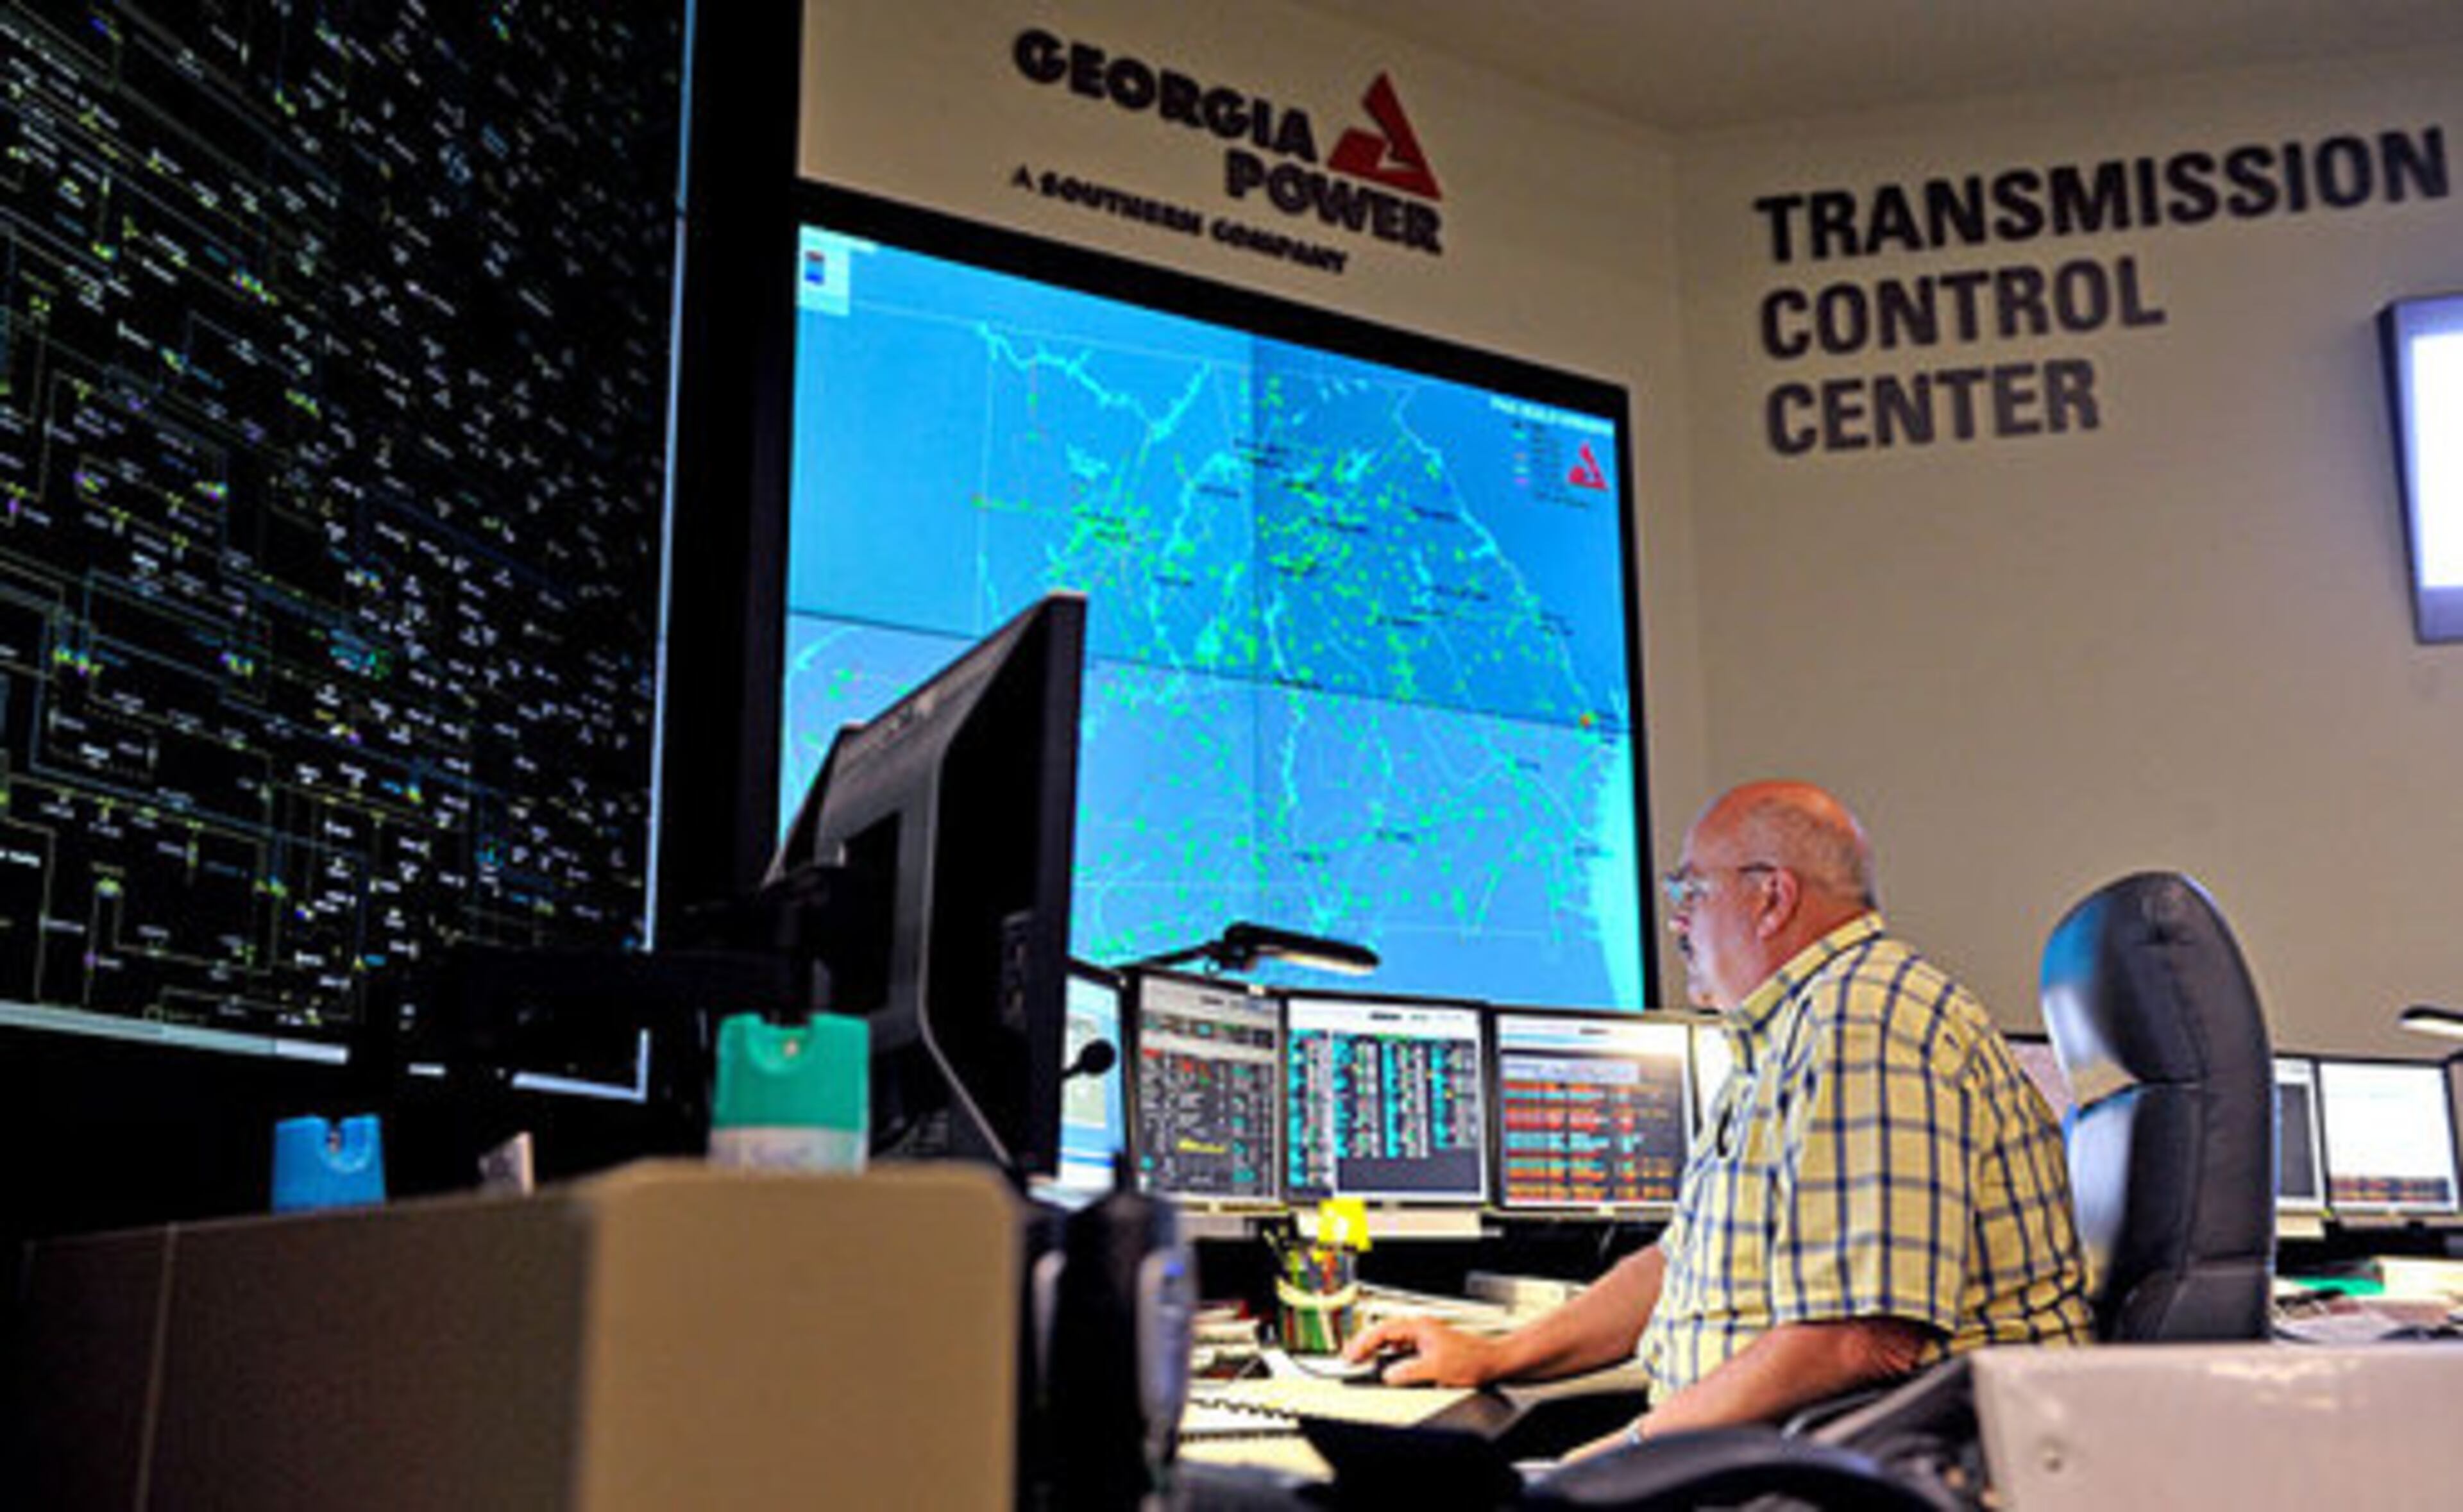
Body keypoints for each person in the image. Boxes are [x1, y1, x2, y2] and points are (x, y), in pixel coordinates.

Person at [1343, 779, 2093, 1450]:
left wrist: (1622, 1458)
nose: (1678, 922)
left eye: (1691, 892)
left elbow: (1858, 1340)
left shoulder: (1863, 1023)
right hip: (1805, 1452)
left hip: (1878, 1468)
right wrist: (1496, 1355)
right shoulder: (1787, 1035)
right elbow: (1678, 1266)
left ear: (1771, 898)